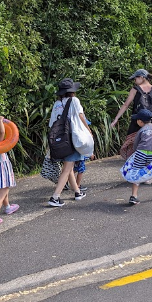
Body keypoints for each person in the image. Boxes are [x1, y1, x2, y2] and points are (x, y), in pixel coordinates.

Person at [47, 78, 90, 208]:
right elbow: (81, 116)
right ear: (72, 91)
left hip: (60, 139)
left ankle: (77, 192)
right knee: (67, 169)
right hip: (72, 138)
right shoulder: (74, 101)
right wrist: (89, 131)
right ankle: (55, 197)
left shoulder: (56, 104)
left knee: (68, 166)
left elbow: (51, 124)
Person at [110, 69, 152, 160]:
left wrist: (116, 119)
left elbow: (126, 105)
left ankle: (135, 161)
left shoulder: (135, 90)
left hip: (137, 121)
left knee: (133, 142)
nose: (134, 81)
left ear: (142, 77)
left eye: (135, 78)